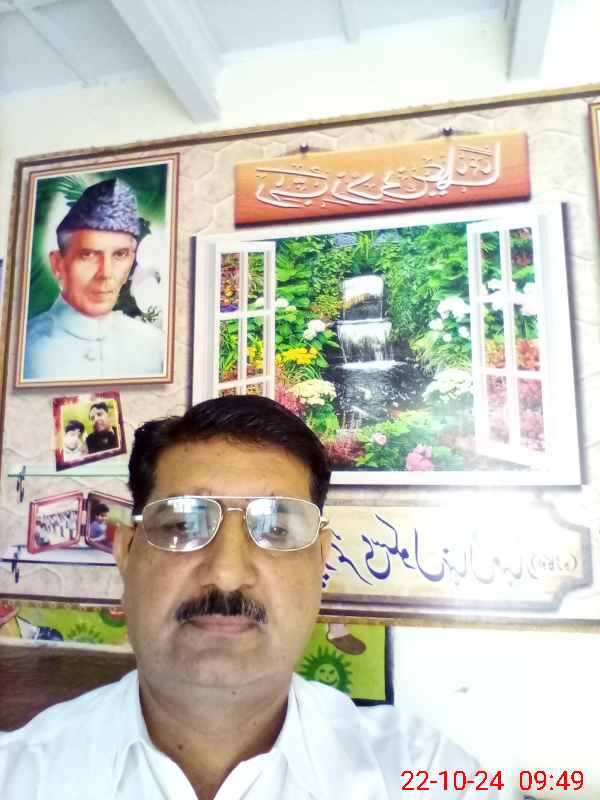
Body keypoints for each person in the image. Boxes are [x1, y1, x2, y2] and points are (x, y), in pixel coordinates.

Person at [0, 396, 501, 799]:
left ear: (320, 560)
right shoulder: (17, 776)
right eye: (183, 525)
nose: (227, 573)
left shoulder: (425, 774)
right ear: (127, 553)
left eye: (277, 529)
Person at [23, 177, 164, 381]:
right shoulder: (25, 349)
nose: (105, 273)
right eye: (88, 255)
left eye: (120, 254)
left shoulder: (155, 347)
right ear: (58, 264)